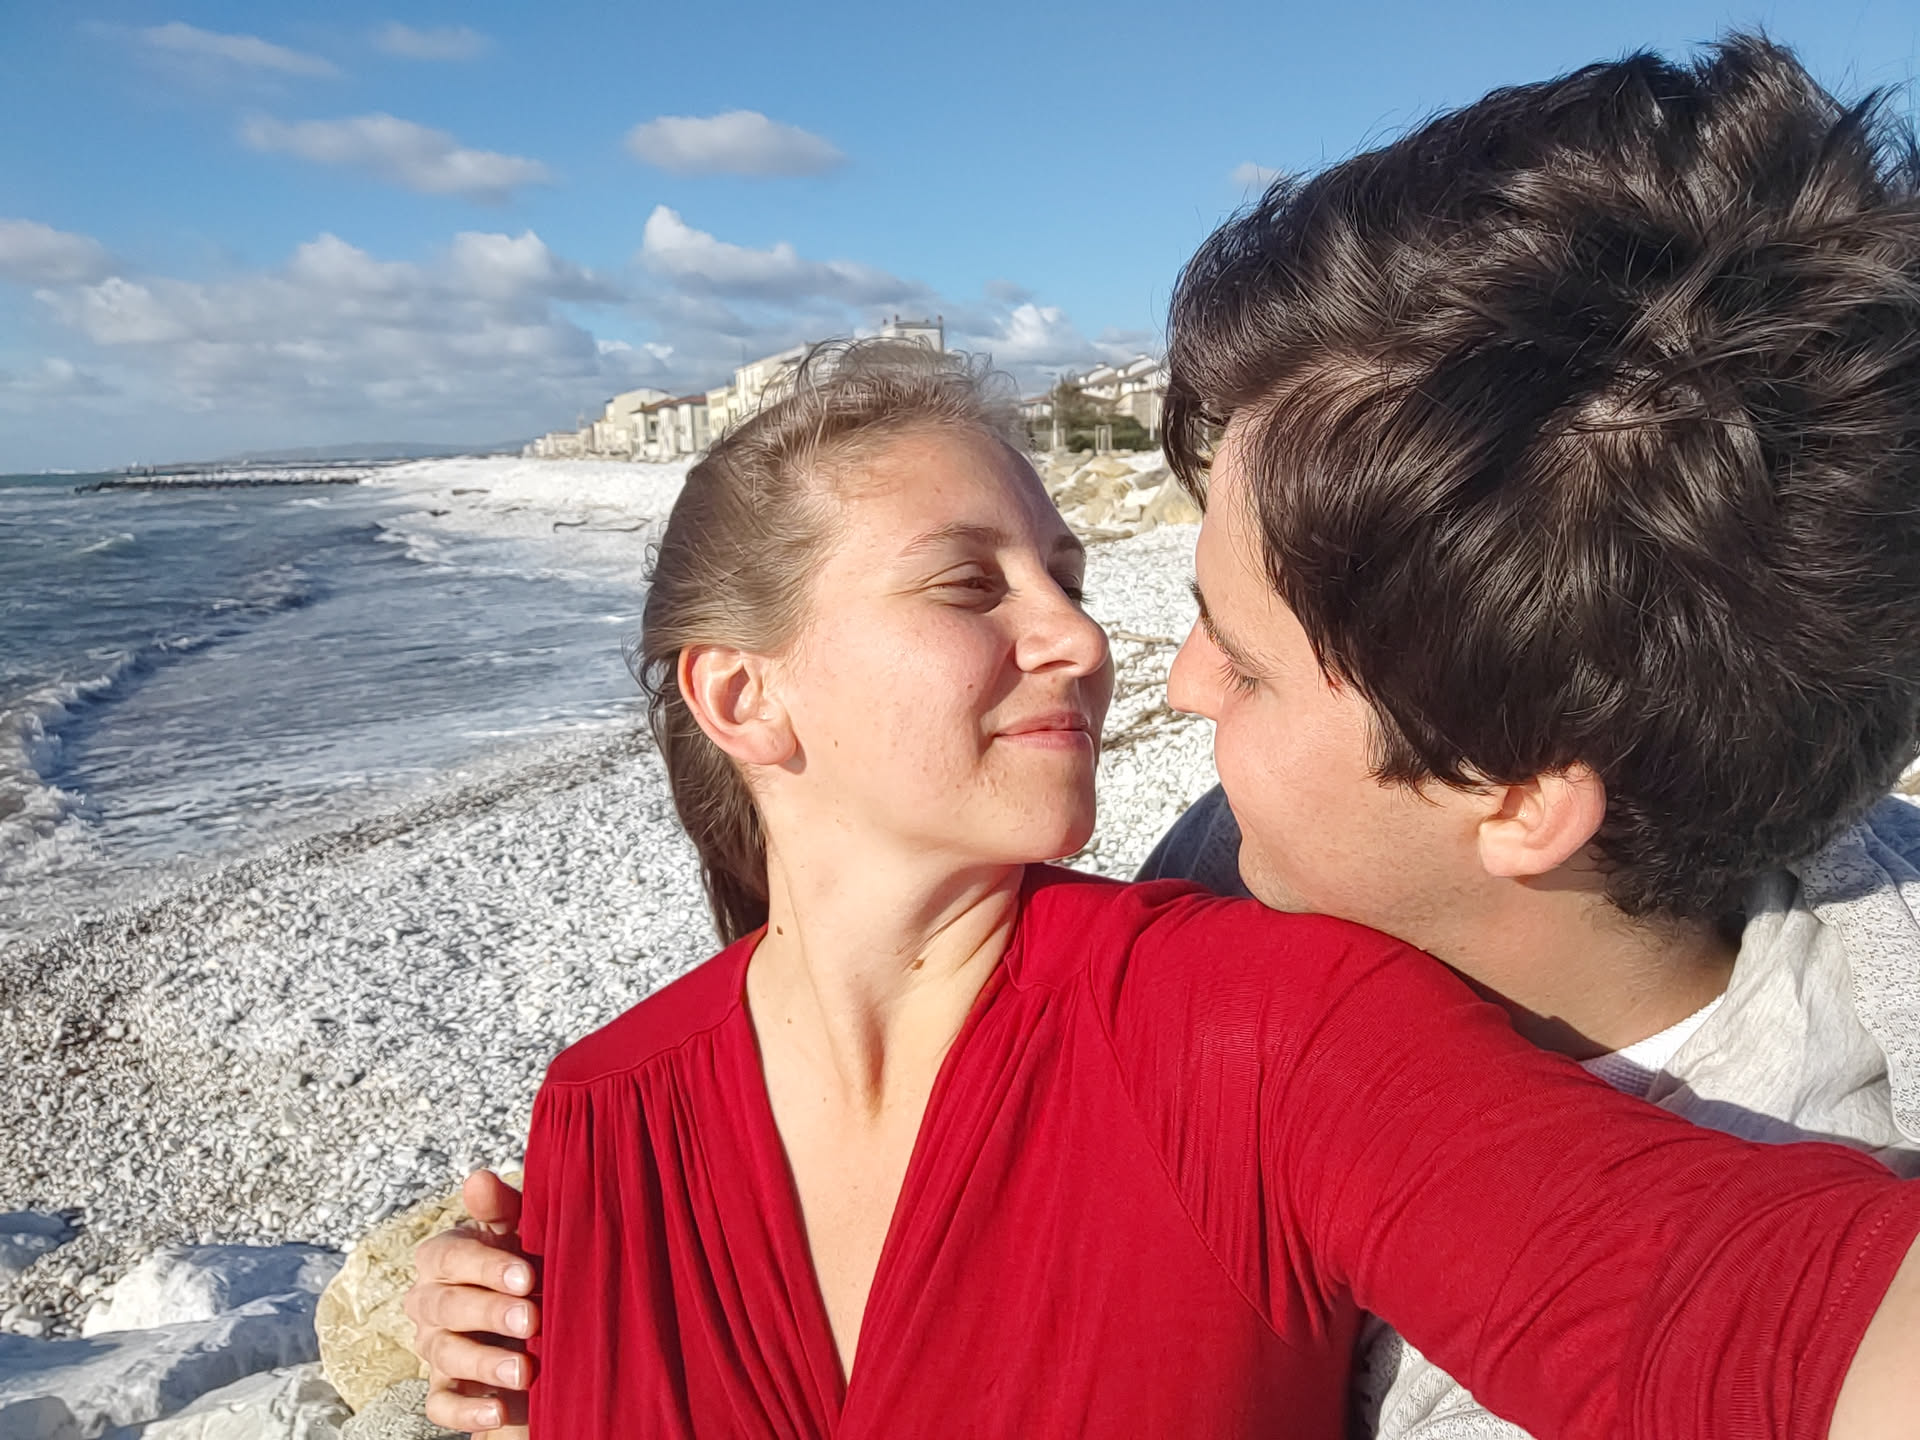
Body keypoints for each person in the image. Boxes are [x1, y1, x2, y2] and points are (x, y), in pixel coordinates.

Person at [406, 34, 1920, 1437]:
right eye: (967, 584)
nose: (1116, 658)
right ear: (742, 695)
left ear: (1519, 797)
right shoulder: (603, 1109)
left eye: (1241, 661)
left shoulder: (1267, 1019)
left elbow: (1739, 1304)